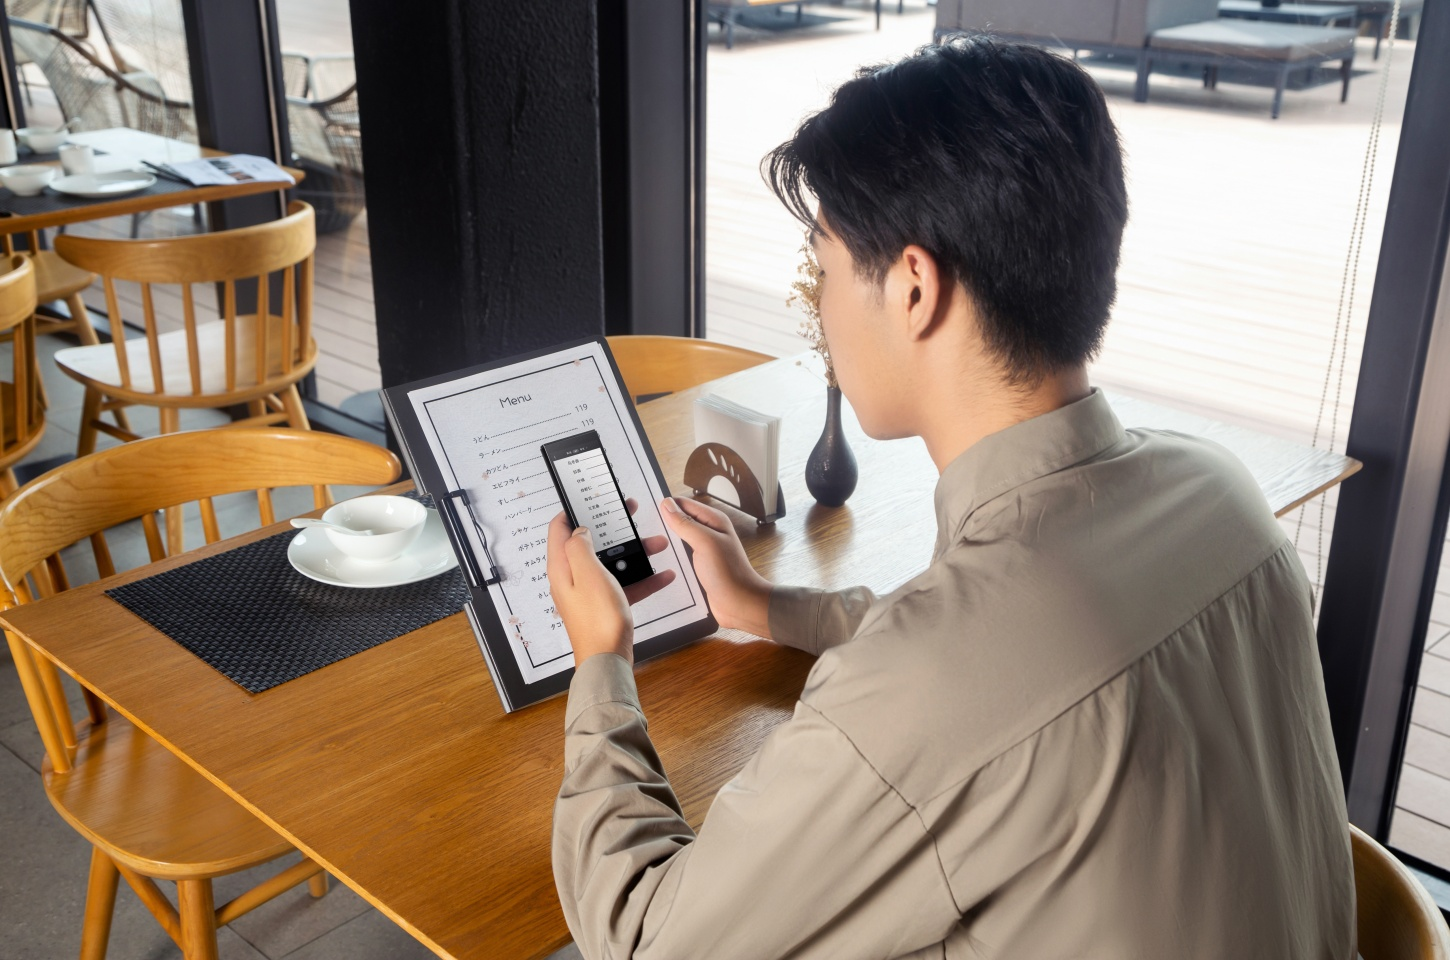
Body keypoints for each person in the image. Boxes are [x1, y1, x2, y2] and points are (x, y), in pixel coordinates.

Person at [545, 36, 1354, 960]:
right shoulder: (1221, 493)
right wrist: (767, 606)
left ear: (915, 288)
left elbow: (647, 936)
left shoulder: (939, 673)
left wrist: (602, 662)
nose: (821, 304)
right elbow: (1006, 671)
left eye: (827, 263)